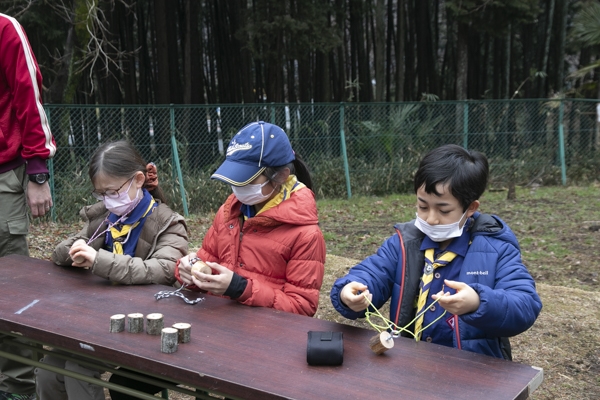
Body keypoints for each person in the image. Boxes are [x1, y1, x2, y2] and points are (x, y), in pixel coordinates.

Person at [108, 121, 326, 399]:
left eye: (246, 180)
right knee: (126, 386)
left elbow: (302, 308)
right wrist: (188, 271)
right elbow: (205, 261)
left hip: (264, 346)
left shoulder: (306, 234)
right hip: (214, 331)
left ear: (281, 175)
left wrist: (239, 287)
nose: (237, 187)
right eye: (234, 178)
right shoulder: (229, 213)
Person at [330, 144, 542, 359]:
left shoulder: (496, 249)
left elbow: (524, 305)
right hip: (408, 363)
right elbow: (373, 272)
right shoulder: (404, 243)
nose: (430, 218)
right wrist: (348, 292)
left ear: (470, 208)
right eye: (423, 206)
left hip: (471, 371)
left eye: (444, 210)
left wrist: (478, 302)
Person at [35, 140, 189, 400]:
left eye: (113, 191)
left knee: (77, 367)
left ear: (138, 180)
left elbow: (164, 269)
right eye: (101, 194)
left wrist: (98, 260)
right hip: (99, 319)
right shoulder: (105, 217)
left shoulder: (168, 222)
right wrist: (82, 243)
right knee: (48, 369)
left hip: (143, 324)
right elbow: (59, 254)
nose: (108, 200)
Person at [0, 12, 57, 400]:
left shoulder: (5, 29)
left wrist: (37, 172)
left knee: (10, 288)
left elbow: (28, 94)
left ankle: (17, 388)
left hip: (3, 173)